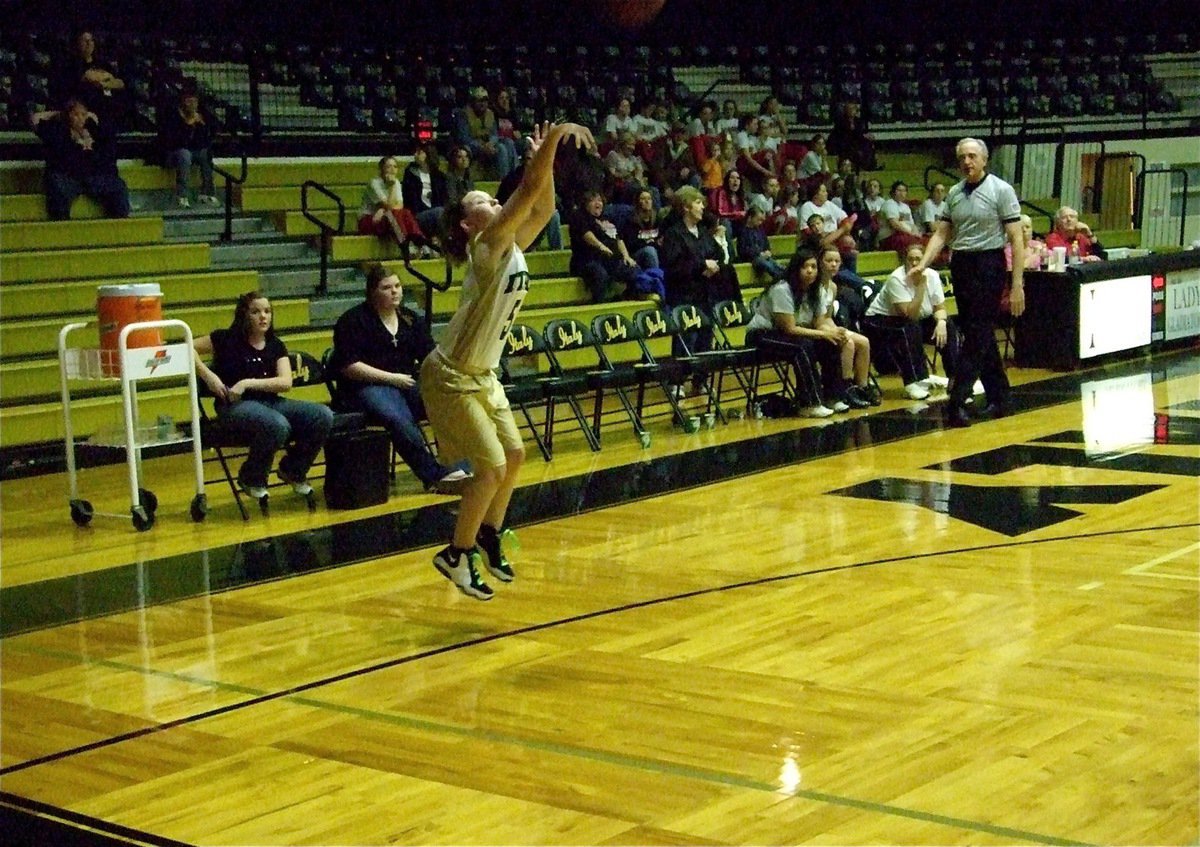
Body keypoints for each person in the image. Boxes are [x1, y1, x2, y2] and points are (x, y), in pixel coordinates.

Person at [421, 121, 596, 600]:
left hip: (483, 374)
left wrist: (541, 158)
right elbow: (527, 191)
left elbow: (544, 204)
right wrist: (557, 137)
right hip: (452, 375)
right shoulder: (486, 246)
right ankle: (455, 555)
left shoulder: (512, 247)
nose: (493, 202)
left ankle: (488, 534)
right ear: (466, 223)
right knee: (491, 470)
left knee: (516, 457)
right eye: (482, 200)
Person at [909, 137, 1024, 428]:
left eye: (972, 156)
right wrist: (923, 263)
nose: (967, 162)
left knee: (977, 333)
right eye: (962, 157)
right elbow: (941, 233)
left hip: (989, 263)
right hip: (961, 263)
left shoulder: (1001, 190)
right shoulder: (955, 192)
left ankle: (957, 400)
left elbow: (1016, 238)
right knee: (979, 332)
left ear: (984, 160)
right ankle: (1000, 396)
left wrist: (1017, 284)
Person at [330, 263, 471, 494]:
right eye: (387, 287)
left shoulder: (410, 319)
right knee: (397, 418)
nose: (395, 291)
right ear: (372, 292)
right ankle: (432, 475)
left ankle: (461, 464)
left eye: (397, 286)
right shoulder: (353, 320)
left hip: (405, 382)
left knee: (446, 404)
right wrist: (392, 378)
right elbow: (349, 366)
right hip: (365, 386)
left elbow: (429, 355)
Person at [193, 291, 334, 501]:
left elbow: (285, 382)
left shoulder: (275, 345)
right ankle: (252, 477)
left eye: (267, 311)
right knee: (277, 425)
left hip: (271, 401)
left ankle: (293, 469)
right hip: (235, 405)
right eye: (256, 311)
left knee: (323, 415)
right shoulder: (224, 338)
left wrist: (246, 383)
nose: (263, 316)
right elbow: (187, 347)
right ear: (244, 315)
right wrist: (208, 376)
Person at [743, 249, 837, 418]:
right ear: (795, 269)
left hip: (789, 335)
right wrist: (822, 334)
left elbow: (820, 322)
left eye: (814, 267)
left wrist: (834, 332)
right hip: (761, 335)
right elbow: (789, 329)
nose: (810, 270)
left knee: (831, 343)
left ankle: (832, 397)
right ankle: (810, 403)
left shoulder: (816, 290)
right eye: (805, 267)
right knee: (802, 347)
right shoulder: (782, 289)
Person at [863, 244, 960, 400]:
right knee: (909, 327)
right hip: (878, 322)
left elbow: (940, 308)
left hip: (914, 320)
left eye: (918, 260)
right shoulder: (897, 279)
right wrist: (921, 286)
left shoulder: (933, 275)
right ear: (904, 261)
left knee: (948, 325)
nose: (914, 263)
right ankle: (914, 381)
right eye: (911, 260)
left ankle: (955, 378)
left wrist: (941, 322)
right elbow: (910, 314)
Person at [31, 99, 130, 220]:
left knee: (117, 186)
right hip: (69, 177)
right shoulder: (57, 132)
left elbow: (106, 157)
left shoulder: (95, 132)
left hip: (93, 177)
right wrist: (57, 114)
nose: (80, 118)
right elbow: (35, 119)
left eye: (83, 114)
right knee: (57, 185)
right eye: (75, 114)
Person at [814, 246, 876, 410]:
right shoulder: (814, 285)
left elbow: (827, 317)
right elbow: (814, 319)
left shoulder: (833, 287)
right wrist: (835, 332)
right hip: (813, 327)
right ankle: (844, 389)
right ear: (820, 262)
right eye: (829, 261)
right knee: (847, 343)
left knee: (864, 342)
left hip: (825, 325)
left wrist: (836, 329)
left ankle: (861, 387)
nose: (833, 264)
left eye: (837, 261)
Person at [569, 188, 639, 302]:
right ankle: (599, 306)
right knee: (600, 274)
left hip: (609, 260)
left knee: (634, 270)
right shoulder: (579, 217)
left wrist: (626, 256)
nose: (598, 203)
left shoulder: (607, 218)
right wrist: (601, 246)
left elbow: (618, 239)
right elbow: (587, 235)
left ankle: (625, 299)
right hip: (586, 260)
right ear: (585, 204)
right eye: (593, 201)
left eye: (600, 200)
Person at [157, 86, 217, 208]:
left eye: (195, 102)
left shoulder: (199, 116)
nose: (192, 105)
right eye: (189, 101)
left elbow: (204, 142)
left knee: (205, 153)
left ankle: (207, 192)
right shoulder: (172, 116)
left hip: (191, 151)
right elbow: (174, 142)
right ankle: (182, 195)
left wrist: (202, 127)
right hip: (172, 154)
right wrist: (188, 124)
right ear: (182, 101)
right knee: (184, 154)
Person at [498, 143, 563, 251]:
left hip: (536, 216)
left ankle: (558, 252)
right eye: (529, 158)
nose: (531, 161)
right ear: (524, 159)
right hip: (515, 218)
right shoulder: (512, 178)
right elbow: (503, 204)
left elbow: (556, 203)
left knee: (553, 215)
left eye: (535, 158)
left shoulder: (545, 177)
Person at [358, 155, 426, 252]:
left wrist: (384, 209)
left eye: (395, 166)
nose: (392, 170)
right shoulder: (374, 183)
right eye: (388, 166)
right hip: (369, 220)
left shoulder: (396, 182)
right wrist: (392, 188)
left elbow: (400, 206)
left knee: (405, 212)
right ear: (382, 169)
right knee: (392, 214)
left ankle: (420, 242)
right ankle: (405, 244)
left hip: (386, 217)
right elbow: (389, 206)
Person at [452, 86, 516, 178]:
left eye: (485, 100)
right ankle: (504, 182)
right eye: (479, 100)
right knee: (501, 148)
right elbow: (463, 138)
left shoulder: (490, 114)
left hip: (487, 145)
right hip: (471, 147)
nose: (482, 103)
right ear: (473, 102)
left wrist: (491, 143)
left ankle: (515, 180)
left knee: (509, 142)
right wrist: (482, 147)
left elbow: (494, 134)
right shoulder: (464, 115)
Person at [401, 140, 449, 247]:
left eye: (419, 152)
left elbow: (443, 198)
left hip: (435, 211)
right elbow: (410, 199)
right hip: (418, 214)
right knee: (439, 212)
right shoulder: (410, 173)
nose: (415, 155)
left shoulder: (439, 176)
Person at [737, 205, 785, 281]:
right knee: (767, 265)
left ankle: (785, 275)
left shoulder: (760, 230)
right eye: (758, 220)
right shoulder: (743, 232)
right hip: (751, 259)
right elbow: (742, 250)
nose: (760, 222)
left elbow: (766, 244)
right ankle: (779, 278)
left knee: (777, 265)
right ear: (750, 218)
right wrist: (759, 253)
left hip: (763, 257)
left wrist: (768, 251)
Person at [878, 180, 925, 256]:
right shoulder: (889, 204)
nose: (902, 193)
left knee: (922, 241)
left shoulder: (905, 207)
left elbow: (912, 225)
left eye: (904, 191)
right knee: (911, 244)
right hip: (889, 237)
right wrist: (911, 233)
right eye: (899, 190)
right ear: (893, 192)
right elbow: (895, 224)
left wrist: (916, 233)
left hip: (906, 235)